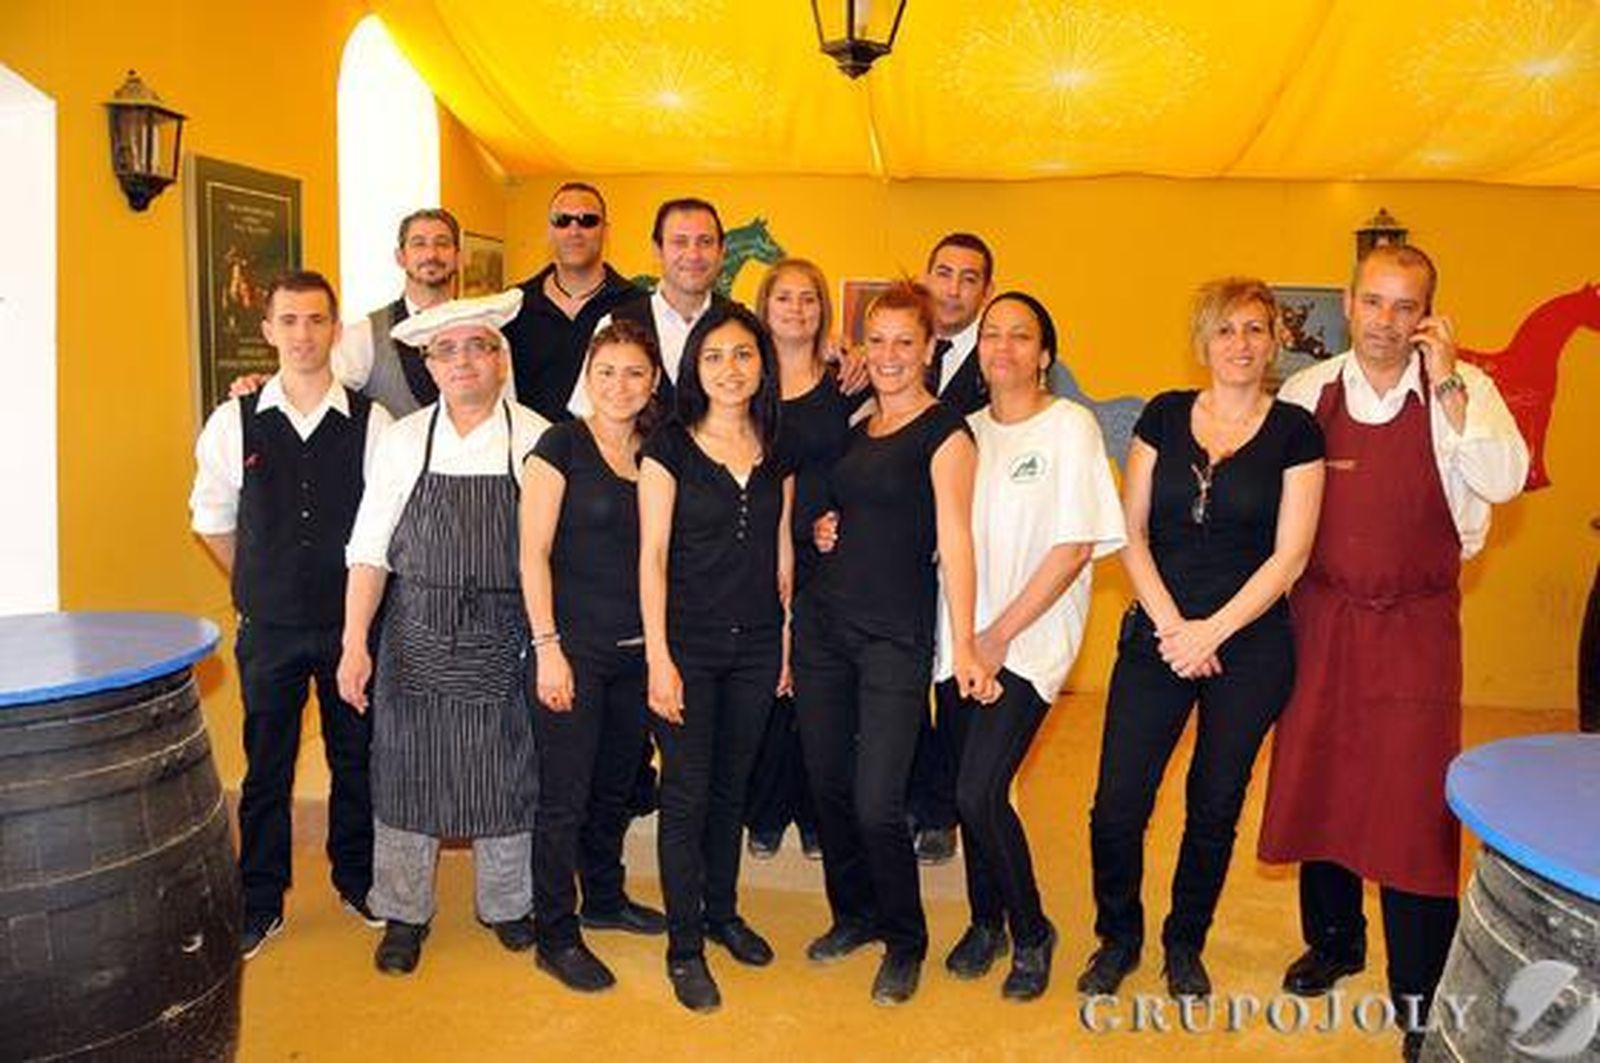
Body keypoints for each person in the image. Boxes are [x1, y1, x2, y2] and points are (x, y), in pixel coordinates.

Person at [1258, 245, 1528, 1060]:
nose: (1385, 322)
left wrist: (1448, 385)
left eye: (1404, 306)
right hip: (1321, 615)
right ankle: (1335, 939)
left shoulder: (1465, 390)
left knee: (1414, 806)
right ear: (1348, 302)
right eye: (1372, 303)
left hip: (1415, 623)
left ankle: (1423, 989)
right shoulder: (1309, 391)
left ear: (1429, 314)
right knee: (1321, 780)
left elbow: (1507, 477)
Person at [1079, 278, 1325, 1001]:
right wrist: (1173, 629)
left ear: (1275, 338)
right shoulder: (1162, 415)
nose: (1241, 344)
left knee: (1215, 801)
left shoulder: (1297, 431)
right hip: (1158, 630)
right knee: (1117, 801)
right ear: (1203, 343)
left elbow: (1292, 557)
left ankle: (1184, 941)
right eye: (1225, 330)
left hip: (1249, 643)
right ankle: (1117, 936)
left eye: (1254, 329)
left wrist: (1211, 631)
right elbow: (1131, 530)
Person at [337, 289, 550, 975]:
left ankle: (508, 904)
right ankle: (403, 909)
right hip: (416, 632)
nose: (464, 361)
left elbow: (552, 553)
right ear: (428, 365)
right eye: (447, 350)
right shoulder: (403, 441)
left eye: (479, 346)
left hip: (503, 630)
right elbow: (369, 548)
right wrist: (353, 643)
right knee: (406, 771)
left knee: (506, 771)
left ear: (500, 358)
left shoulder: (538, 437)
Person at [796, 280, 997, 1006]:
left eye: (903, 342)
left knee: (878, 799)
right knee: (826, 785)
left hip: (894, 638)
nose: (887, 355)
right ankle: (854, 915)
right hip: (822, 628)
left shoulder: (947, 433)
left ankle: (905, 937)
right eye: (875, 340)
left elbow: (956, 539)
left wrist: (968, 643)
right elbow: (841, 503)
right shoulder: (858, 424)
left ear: (929, 348)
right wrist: (823, 526)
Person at [190, 270, 392, 959]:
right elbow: (212, 519)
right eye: (290, 320)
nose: (303, 334)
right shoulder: (234, 420)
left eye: (316, 320)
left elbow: (385, 524)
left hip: (351, 630)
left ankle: (359, 878)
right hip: (270, 630)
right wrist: (258, 581)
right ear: (268, 330)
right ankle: (260, 898)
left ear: (336, 330)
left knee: (355, 758)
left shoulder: (373, 422)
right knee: (267, 766)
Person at [935, 292, 1125, 1000]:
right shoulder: (964, 431)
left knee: (978, 789)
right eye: (993, 335)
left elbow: (1075, 546)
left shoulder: (1069, 426)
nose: (1005, 347)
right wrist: (966, 638)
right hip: (957, 638)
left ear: (1045, 353)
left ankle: (1031, 927)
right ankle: (984, 923)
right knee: (966, 794)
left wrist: (997, 634)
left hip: (1027, 639)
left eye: (1022, 336)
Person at [638, 301, 795, 1012]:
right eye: (714, 356)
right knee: (687, 793)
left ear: (762, 364)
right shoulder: (667, 447)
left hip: (759, 645)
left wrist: (786, 641)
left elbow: (783, 555)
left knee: (732, 790)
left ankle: (723, 912)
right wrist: (659, 659)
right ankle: (684, 944)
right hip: (687, 648)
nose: (729, 369)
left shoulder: (777, 445)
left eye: (743, 355)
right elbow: (652, 558)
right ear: (693, 367)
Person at [520, 319, 668, 994]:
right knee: (565, 799)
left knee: (616, 788)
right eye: (606, 370)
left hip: (637, 655)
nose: (620, 385)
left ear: (654, 381)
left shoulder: (659, 452)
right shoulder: (560, 444)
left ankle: (604, 897)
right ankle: (556, 931)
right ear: (588, 375)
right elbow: (532, 553)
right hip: (571, 651)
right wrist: (548, 648)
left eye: (635, 371)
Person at [743, 258, 868, 861]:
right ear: (764, 308)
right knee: (768, 687)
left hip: (826, 554)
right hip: (757, 553)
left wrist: (841, 521)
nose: (796, 309)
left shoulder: (849, 382)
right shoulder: (744, 383)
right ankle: (766, 810)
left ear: (824, 312)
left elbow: (869, 462)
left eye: (809, 299)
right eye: (784, 298)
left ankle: (818, 810)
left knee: (817, 693)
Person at [907, 232, 998, 864]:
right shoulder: (893, 352)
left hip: (968, 541)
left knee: (957, 680)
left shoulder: (998, 363)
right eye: (944, 273)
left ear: (986, 292)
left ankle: (944, 811)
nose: (954, 288)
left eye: (969, 278)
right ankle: (916, 795)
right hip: (895, 550)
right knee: (903, 683)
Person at [568, 197, 730, 418]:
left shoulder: (741, 324)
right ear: (657, 250)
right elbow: (587, 414)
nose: (693, 254)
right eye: (680, 242)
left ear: (722, 251)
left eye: (705, 241)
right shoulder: (615, 324)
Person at [502, 182, 640, 421]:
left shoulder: (637, 307)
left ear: (605, 231)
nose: (574, 230)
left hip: (610, 455)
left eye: (587, 220)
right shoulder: (512, 307)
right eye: (562, 220)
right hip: (530, 452)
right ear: (549, 230)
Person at [333, 208, 461, 416]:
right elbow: (326, 398)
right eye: (419, 244)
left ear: (457, 257)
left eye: (442, 243)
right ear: (401, 257)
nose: (431, 254)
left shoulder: (482, 328)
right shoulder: (365, 334)